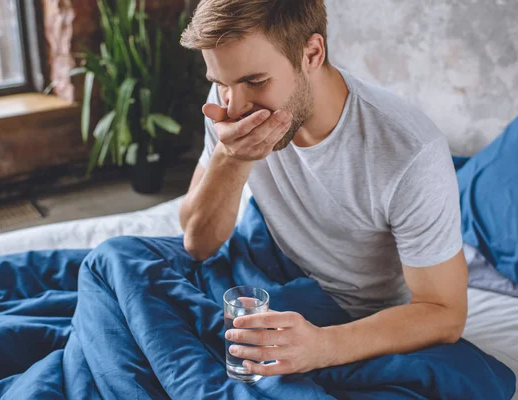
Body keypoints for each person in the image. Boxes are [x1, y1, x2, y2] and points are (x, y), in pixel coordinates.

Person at [178, 0, 468, 376]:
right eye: (221, 83)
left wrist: (325, 346)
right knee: (114, 262)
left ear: (312, 53)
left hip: (347, 310)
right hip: (268, 259)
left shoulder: (409, 152)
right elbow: (197, 244)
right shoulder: (228, 103)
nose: (234, 107)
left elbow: (446, 313)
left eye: (255, 81)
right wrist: (230, 158)